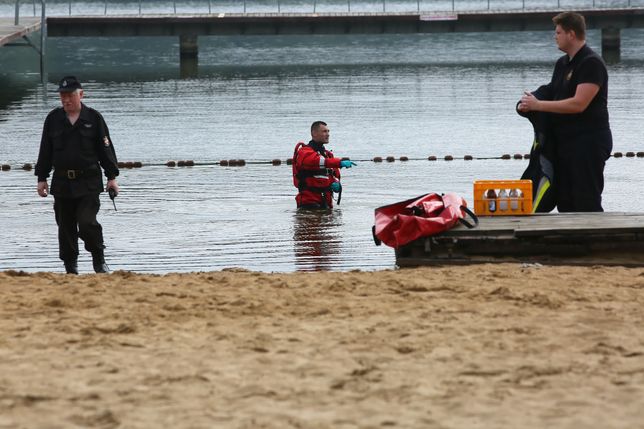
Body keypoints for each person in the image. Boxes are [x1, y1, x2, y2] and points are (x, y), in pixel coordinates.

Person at [518, 11, 612, 212]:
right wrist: (528, 100)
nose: (555, 36)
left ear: (571, 34)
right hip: (566, 143)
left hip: (589, 142)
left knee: (585, 199)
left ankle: (595, 240)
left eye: (559, 32)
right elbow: (551, 90)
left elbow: (579, 104)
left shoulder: (591, 63)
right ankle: (570, 243)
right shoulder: (563, 63)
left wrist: (539, 105)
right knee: (566, 201)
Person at [35, 76, 120, 274]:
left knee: (87, 222)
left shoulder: (93, 118)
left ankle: (99, 260)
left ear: (81, 94)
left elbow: (106, 150)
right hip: (62, 182)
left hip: (88, 181)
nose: (66, 100)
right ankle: (70, 268)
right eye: (62, 96)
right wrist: (41, 178)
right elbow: (45, 150)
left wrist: (112, 178)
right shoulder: (53, 119)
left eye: (70, 96)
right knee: (65, 228)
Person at [292, 121, 356, 209]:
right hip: (309, 202)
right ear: (314, 133)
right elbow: (316, 161)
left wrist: (336, 183)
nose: (328, 134)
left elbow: (334, 175)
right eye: (324, 131)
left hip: (326, 202)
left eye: (328, 131)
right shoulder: (304, 152)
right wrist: (339, 162)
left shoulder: (328, 155)